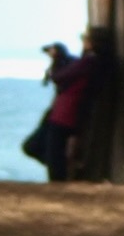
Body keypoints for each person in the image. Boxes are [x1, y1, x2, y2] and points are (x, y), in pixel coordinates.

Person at [23, 28, 109, 182]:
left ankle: (61, 178)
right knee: (35, 147)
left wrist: (56, 61)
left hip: (66, 115)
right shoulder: (89, 62)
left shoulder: (89, 62)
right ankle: (65, 171)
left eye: (85, 38)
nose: (83, 41)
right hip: (61, 113)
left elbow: (59, 77)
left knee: (52, 154)